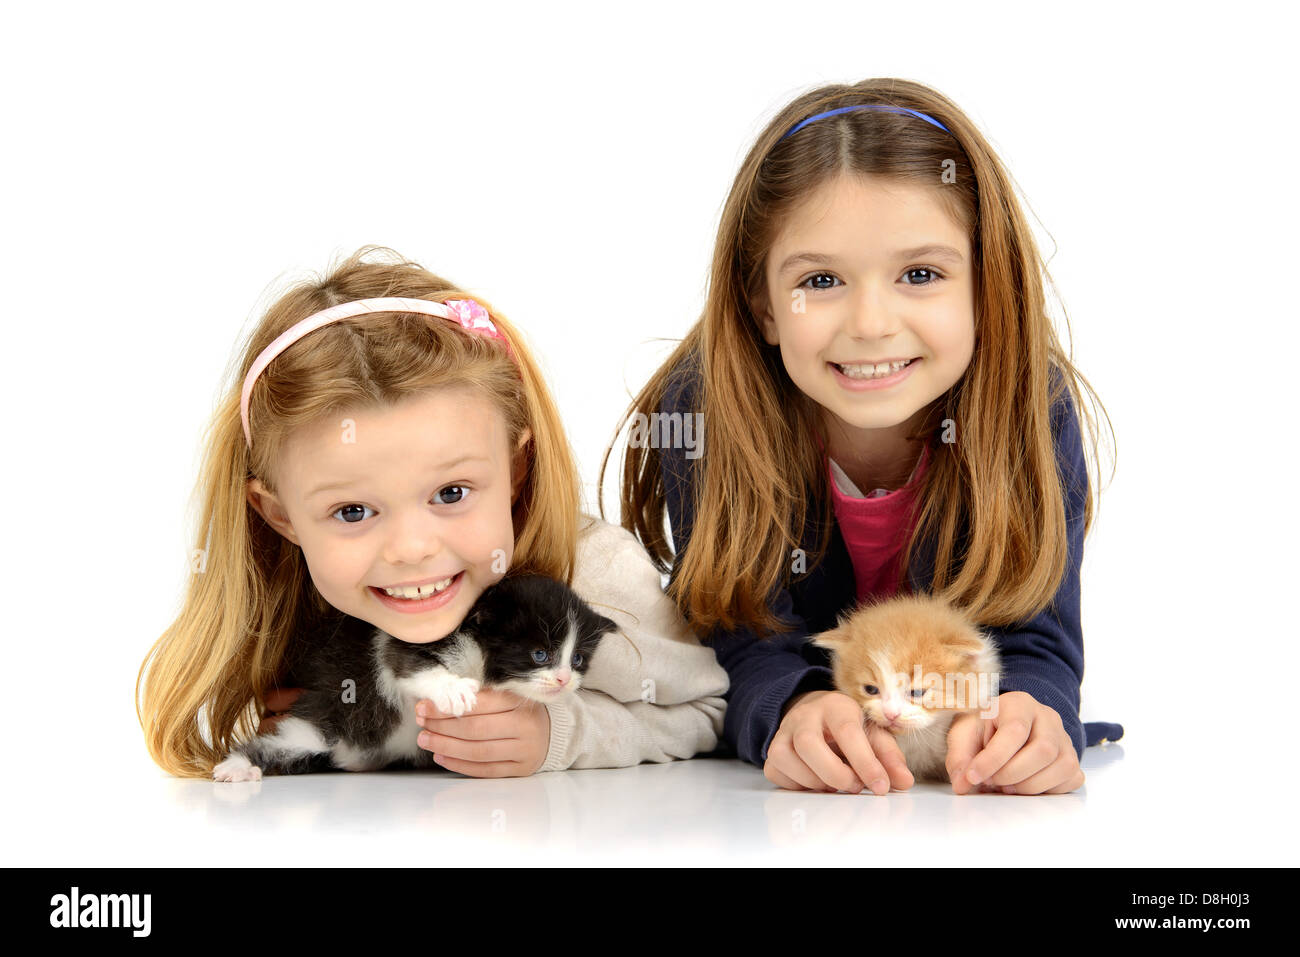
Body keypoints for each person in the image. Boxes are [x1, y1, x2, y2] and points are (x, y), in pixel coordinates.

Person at [604, 78, 1123, 796]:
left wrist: (1033, 710)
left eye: (920, 273)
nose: (872, 323)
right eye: (820, 280)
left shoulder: (1032, 404)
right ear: (763, 309)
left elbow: (1035, 635)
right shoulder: (708, 410)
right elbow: (740, 631)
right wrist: (794, 707)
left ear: (986, 287)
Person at [137, 246, 728, 779]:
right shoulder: (299, 600)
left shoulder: (599, 579)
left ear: (516, 470)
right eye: (352, 510)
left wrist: (563, 734)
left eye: (450, 494)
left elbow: (708, 709)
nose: (412, 548)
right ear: (281, 515)